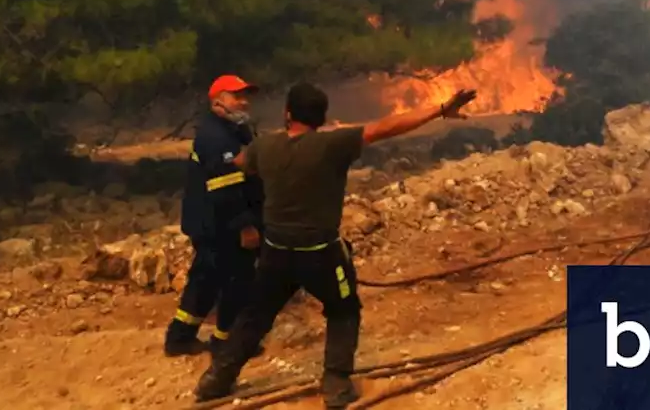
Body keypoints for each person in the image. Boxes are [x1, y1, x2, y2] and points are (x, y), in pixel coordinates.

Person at [194, 82, 478, 407]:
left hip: (276, 251)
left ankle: (217, 379)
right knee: (344, 311)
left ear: (288, 114)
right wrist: (440, 109)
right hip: (321, 254)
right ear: (322, 117)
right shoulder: (333, 144)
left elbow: (239, 162)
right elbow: (385, 127)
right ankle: (336, 383)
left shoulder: (265, 148)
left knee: (256, 314)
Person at [164, 74, 266, 357]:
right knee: (237, 278)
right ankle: (228, 342)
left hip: (211, 223)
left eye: (246, 95)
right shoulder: (215, 137)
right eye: (237, 95)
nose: (244, 101)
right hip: (221, 225)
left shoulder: (232, 130)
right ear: (218, 100)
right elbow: (225, 187)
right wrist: (246, 226)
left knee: (206, 279)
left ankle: (180, 337)